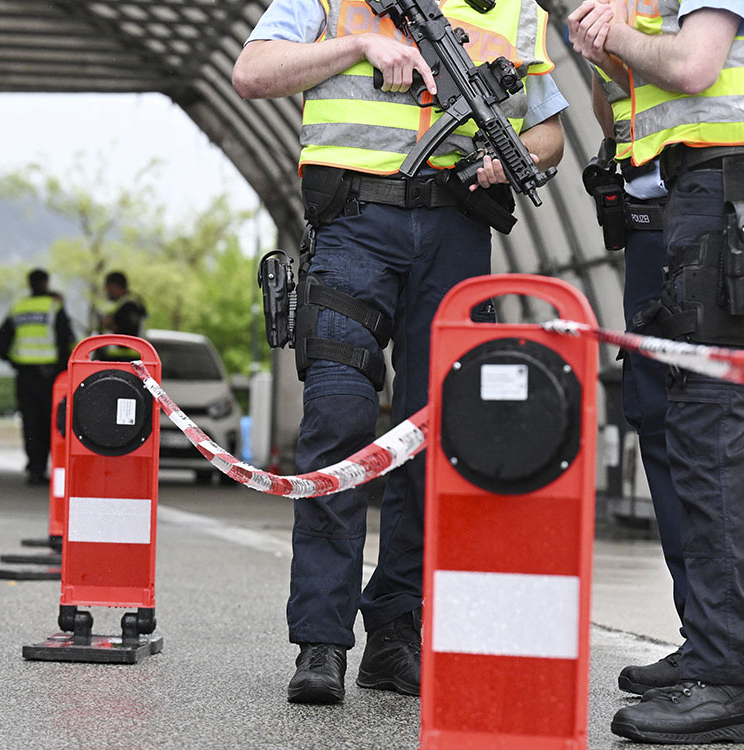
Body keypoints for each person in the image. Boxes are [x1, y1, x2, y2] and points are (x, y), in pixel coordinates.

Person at [233, 0, 567, 705]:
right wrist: (355, 46)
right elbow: (251, 74)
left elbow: (550, 138)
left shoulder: (514, 12)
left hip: (455, 226)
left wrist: (505, 163)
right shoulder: (327, 3)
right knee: (337, 421)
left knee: (433, 439)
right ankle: (321, 641)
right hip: (353, 225)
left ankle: (396, 635)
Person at [570, 0, 744, 741]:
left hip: (731, 190)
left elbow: (693, 65)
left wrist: (614, 32)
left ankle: (729, 677)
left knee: (714, 431)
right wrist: (611, 41)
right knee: (742, 433)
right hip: (725, 186)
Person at [0, 269, 74, 486]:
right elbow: (66, 339)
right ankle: (47, 465)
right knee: (50, 420)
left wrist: (14, 360)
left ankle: (34, 467)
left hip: (25, 374)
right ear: (46, 283)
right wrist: (62, 366)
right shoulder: (53, 307)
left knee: (29, 421)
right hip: (49, 375)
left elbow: (1, 341)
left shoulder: (18, 308)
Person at [100, 271, 147, 337]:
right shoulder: (125, 303)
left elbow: (129, 333)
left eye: (108, 287)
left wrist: (111, 325)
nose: (106, 291)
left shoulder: (131, 305)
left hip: (131, 346)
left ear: (115, 286)